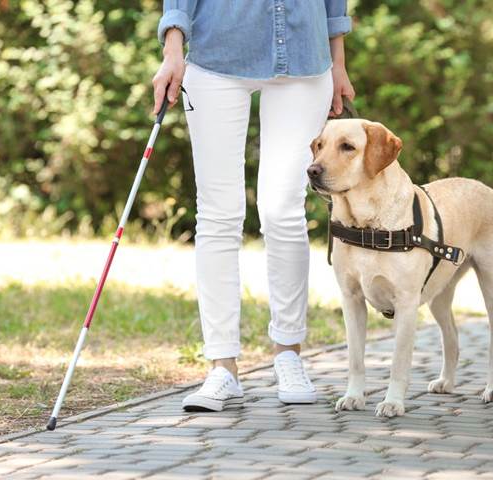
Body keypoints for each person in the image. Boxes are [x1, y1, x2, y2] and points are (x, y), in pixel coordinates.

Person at [153, 0, 355, 412]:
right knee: (218, 214)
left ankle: (289, 354)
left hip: (305, 57)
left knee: (283, 209)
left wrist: (338, 61)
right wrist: (172, 48)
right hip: (215, 56)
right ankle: (222, 366)